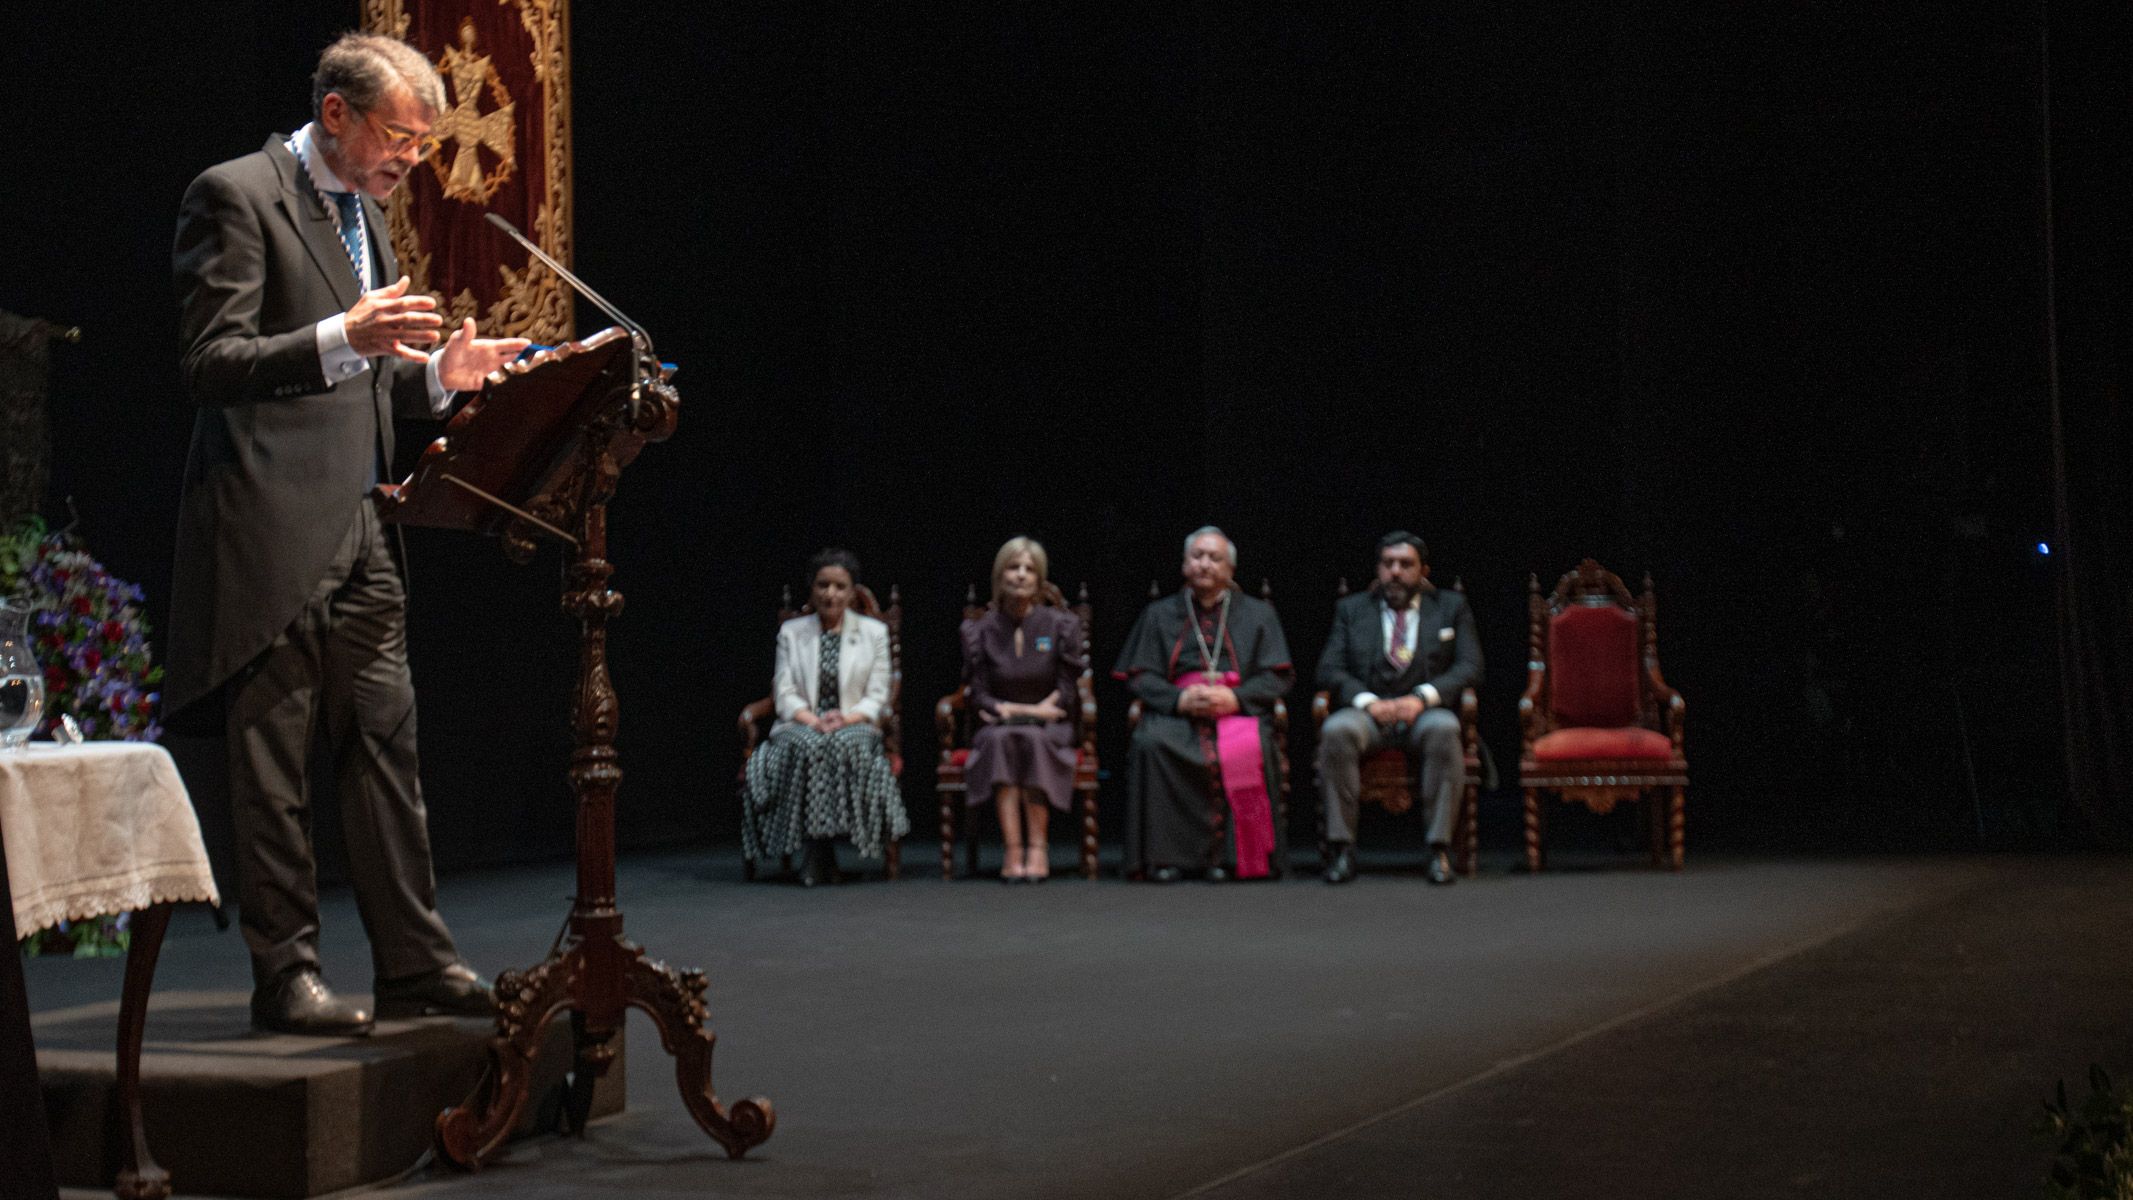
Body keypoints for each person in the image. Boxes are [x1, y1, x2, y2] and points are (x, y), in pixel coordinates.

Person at [166, 34, 529, 1036]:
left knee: (385, 749)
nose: (412, 159)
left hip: (368, 525)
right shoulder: (236, 195)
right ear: (336, 113)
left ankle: (415, 964)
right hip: (269, 529)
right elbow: (211, 362)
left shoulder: (368, 213)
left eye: (421, 143)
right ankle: (286, 976)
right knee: (274, 769)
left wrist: (437, 378)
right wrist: (345, 336)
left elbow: (369, 380)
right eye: (399, 137)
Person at [1113, 527, 1293, 881]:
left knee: (1250, 746)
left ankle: (1230, 860)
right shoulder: (1159, 614)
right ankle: (1165, 859)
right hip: (1179, 711)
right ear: (1184, 565)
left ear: (1230, 569)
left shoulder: (1258, 614)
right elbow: (1140, 675)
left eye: (1214, 558)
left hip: (1236, 710)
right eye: (1197, 556)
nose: (1205, 564)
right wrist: (1179, 699)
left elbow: (1277, 676)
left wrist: (1235, 698)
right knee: (1151, 743)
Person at [1314, 531, 1483, 885]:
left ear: (1423, 571)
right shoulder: (1352, 609)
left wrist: (1422, 698)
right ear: (1378, 569)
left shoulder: (1450, 607)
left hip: (1424, 712)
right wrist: (1368, 702)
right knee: (1336, 730)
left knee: (1445, 728)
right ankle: (1342, 849)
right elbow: (1329, 668)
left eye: (1405, 564)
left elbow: (1470, 666)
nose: (1395, 571)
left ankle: (1438, 849)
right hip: (1368, 713)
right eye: (1388, 563)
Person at [741, 548, 909, 886]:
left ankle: (818, 855)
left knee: (839, 743)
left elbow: (878, 693)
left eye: (839, 586)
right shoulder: (792, 632)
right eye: (823, 585)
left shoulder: (873, 632)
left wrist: (845, 720)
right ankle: (822, 853)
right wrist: (813, 720)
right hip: (801, 722)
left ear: (851, 592)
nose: (830, 593)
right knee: (808, 744)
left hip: (856, 723)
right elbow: (784, 691)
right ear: (812, 588)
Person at [959, 537, 1086, 882]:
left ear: (1039, 579)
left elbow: (1067, 687)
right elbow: (978, 692)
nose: (1020, 575)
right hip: (998, 725)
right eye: (1013, 568)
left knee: (1032, 739)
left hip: (1049, 726)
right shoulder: (981, 630)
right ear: (1000, 576)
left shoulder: (1060, 625)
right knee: (1003, 741)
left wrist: (1043, 710)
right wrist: (1016, 710)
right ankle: (1013, 848)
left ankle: (1038, 847)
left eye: (1029, 569)